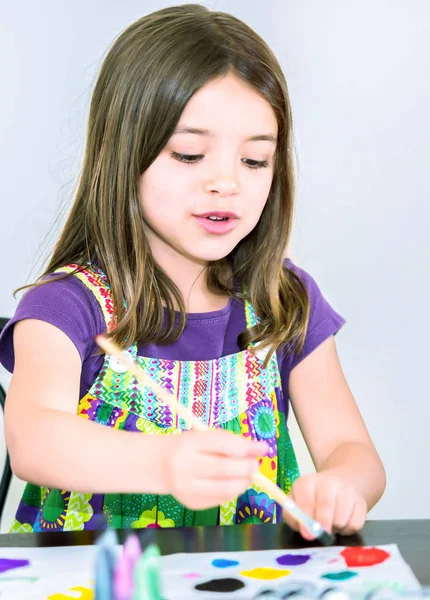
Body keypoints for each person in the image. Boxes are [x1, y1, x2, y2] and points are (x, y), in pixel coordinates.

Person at [0, 4, 385, 537]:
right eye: (188, 154)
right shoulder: (66, 304)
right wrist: (162, 463)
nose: (226, 182)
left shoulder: (284, 298)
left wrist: (341, 485)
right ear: (123, 155)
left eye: (254, 161)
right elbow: (33, 440)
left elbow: (354, 451)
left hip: (246, 577)